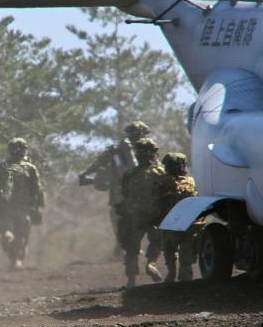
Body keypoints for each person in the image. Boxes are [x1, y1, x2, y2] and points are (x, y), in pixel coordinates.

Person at [78, 121, 152, 259]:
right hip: (130, 193)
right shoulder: (132, 150)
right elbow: (100, 163)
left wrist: (85, 174)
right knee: (124, 220)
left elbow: (99, 163)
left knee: (125, 220)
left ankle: (126, 247)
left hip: (127, 193)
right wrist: (86, 174)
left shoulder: (122, 149)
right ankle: (126, 248)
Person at [0, 138, 45, 270]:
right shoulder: (30, 168)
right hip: (23, 207)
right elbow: (38, 189)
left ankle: (11, 245)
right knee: (23, 235)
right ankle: (17, 260)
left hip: (4, 206)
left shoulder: (0, 167)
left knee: (6, 231)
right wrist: (38, 207)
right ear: (24, 150)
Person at [116, 137, 166, 287]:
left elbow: (124, 193)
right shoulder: (160, 173)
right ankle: (151, 263)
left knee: (132, 247)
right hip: (155, 214)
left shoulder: (129, 174)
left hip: (135, 215)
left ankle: (131, 279)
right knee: (156, 241)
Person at [159, 152, 199, 282]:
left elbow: (156, 202)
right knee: (180, 249)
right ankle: (180, 274)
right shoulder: (192, 181)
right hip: (185, 222)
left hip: (175, 222)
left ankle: (176, 274)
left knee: (171, 248)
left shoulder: (164, 182)